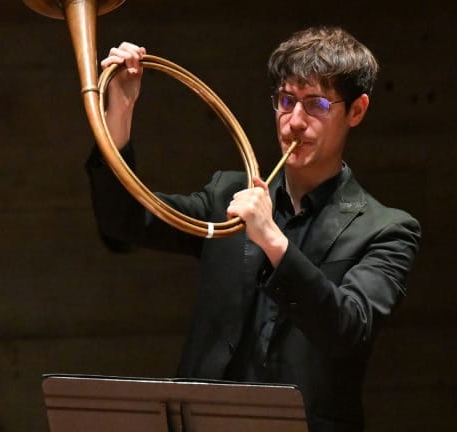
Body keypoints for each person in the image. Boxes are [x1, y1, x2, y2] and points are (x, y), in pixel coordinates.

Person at [86, 26, 419, 432]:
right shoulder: (228, 193)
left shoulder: (386, 229)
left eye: (315, 104)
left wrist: (274, 241)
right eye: (286, 100)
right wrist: (119, 111)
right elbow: (123, 221)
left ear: (357, 110)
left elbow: (348, 331)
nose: (294, 122)